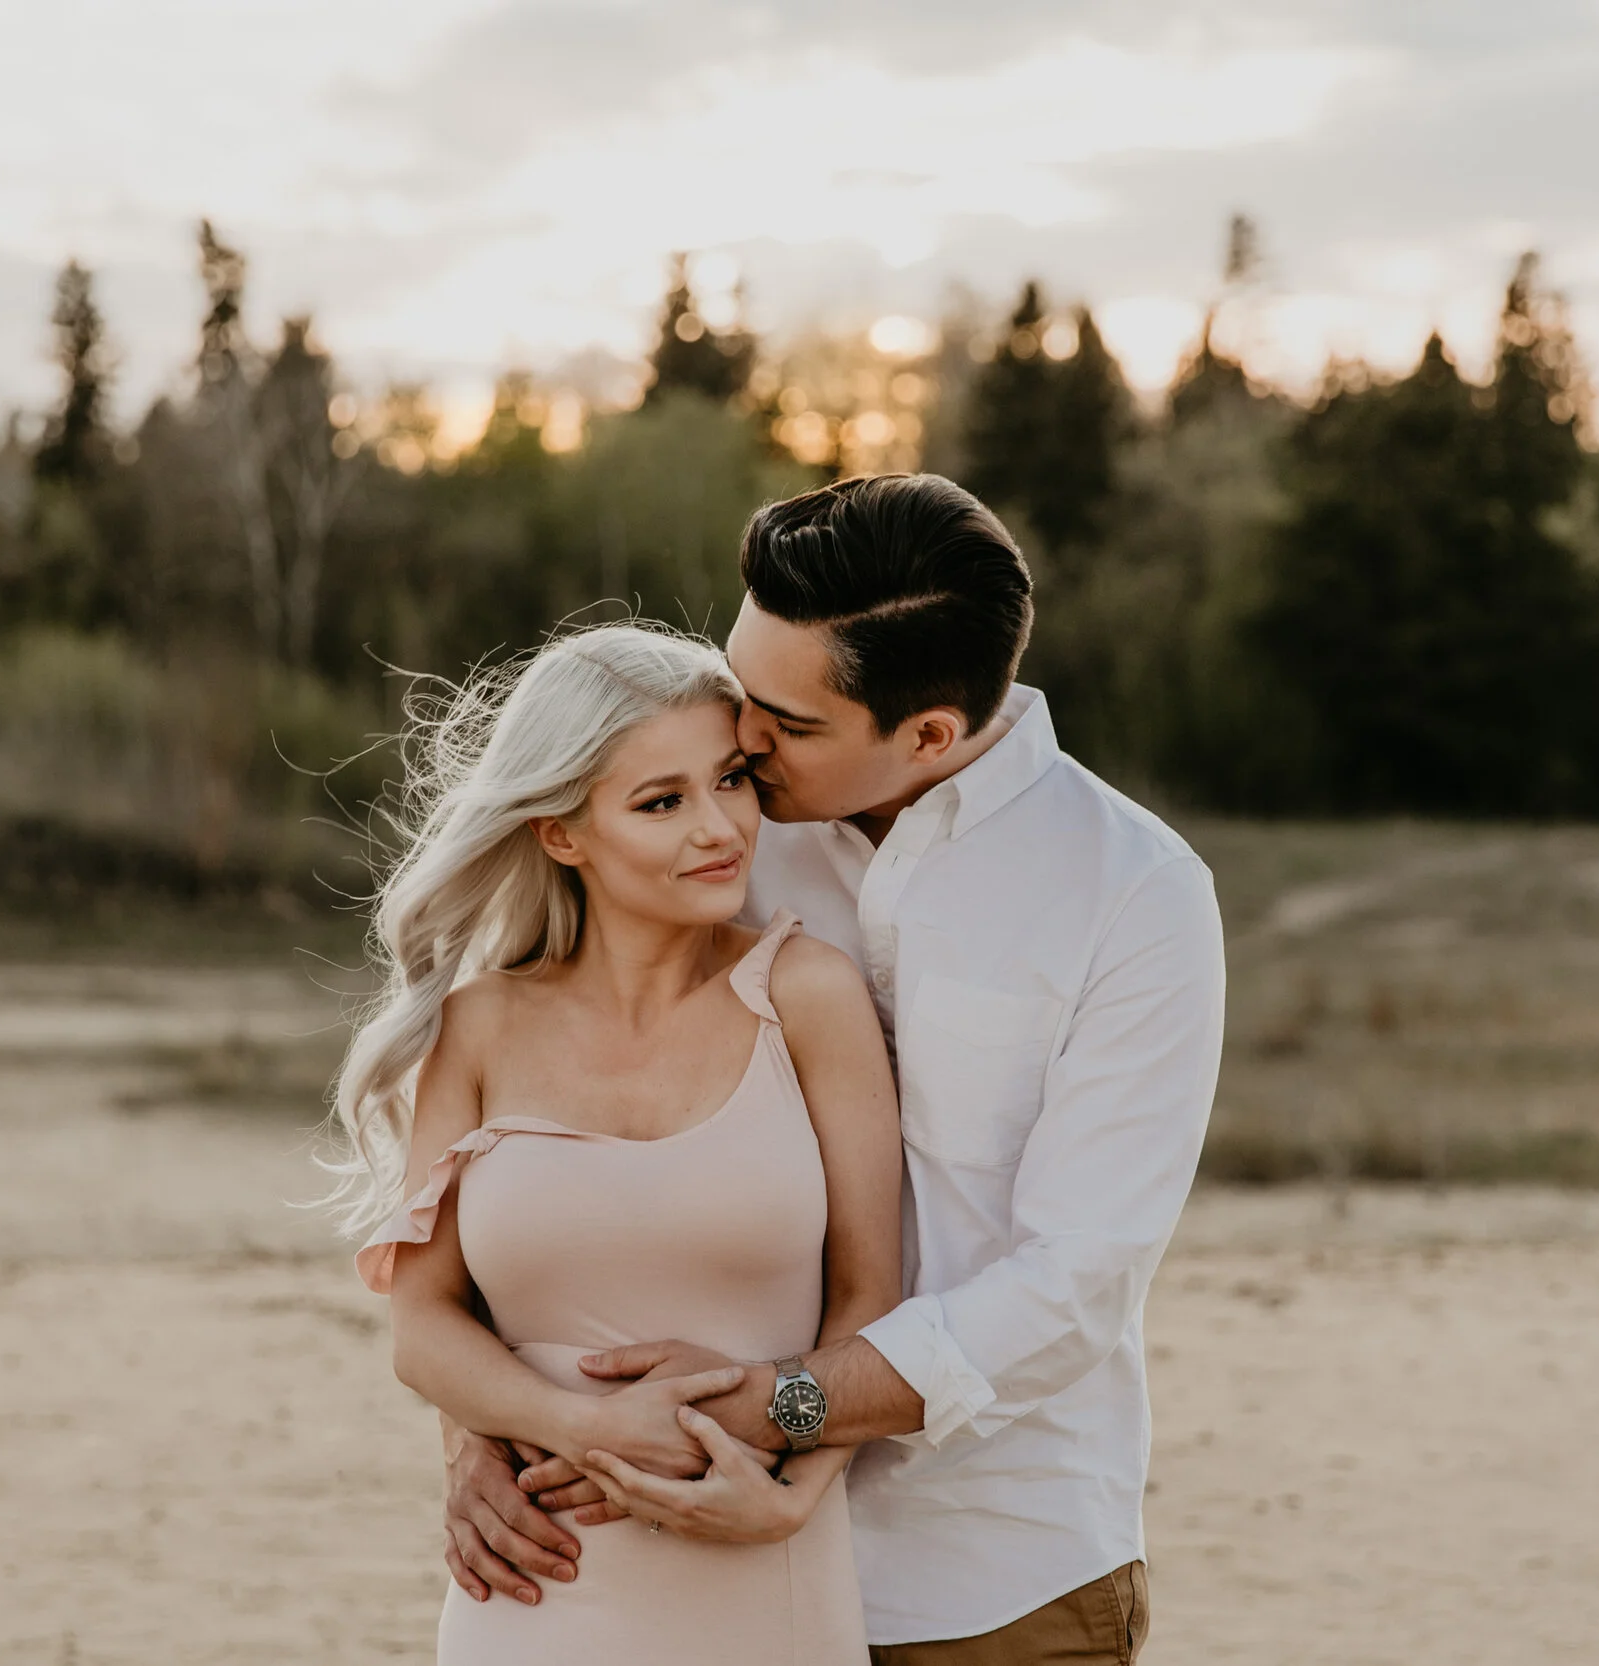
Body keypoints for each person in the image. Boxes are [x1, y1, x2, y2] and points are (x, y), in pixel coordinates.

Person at [445, 474, 1228, 1664]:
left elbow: (1072, 1286)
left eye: (788, 724)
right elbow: (522, 1143)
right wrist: (476, 1429)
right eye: (738, 689)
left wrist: (784, 1409)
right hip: (661, 1558)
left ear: (927, 734)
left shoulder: (1133, 893)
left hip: (986, 1577)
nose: (742, 744)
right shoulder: (714, 827)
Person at [328, 624, 905, 1664]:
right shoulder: (478, 1027)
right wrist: (579, 1427)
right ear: (561, 833)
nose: (720, 827)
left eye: (730, 779)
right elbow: (423, 1325)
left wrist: (795, 1488)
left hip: (760, 1574)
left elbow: (871, 1295)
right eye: (660, 801)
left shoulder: (807, 994)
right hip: (538, 1580)